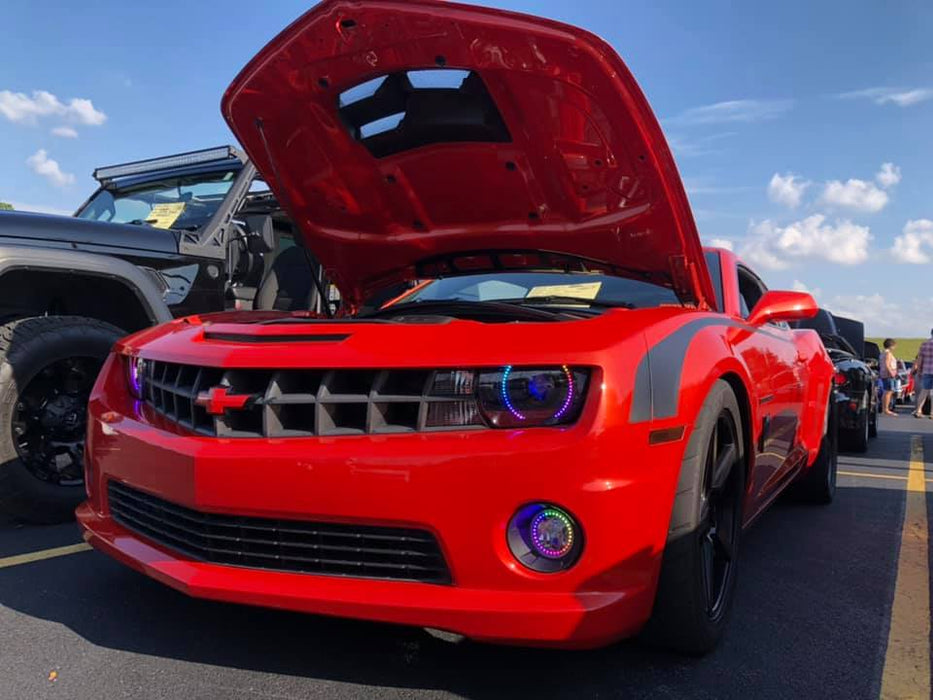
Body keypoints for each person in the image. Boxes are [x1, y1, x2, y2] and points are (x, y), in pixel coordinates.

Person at [913, 329, 933, 418]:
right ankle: (932, 413)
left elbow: (920, 359)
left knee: (924, 391)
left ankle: (918, 410)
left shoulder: (924, 344)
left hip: (926, 370)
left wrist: (919, 371)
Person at [880, 338, 898, 416]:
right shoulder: (888, 354)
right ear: (891, 346)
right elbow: (887, 364)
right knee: (888, 391)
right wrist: (891, 372)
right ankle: (886, 409)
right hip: (888, 375)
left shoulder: (883, 353)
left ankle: (885, 408)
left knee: (887, 391)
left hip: (884, 374)